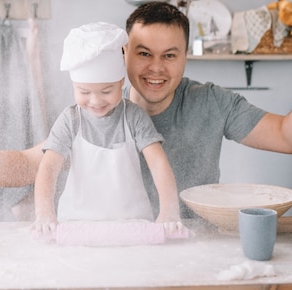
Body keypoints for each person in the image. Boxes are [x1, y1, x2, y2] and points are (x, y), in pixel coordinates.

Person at [0, 2, 292, 218]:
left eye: (170, 55)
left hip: (192, 248)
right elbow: (26, 164)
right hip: (107, 252)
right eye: (144, 53)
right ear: (122, 55)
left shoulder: (212, 102)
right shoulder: (93, 108)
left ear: (186, 56)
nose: (156, 68)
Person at [32, 22, 181, 239]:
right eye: (84, 91)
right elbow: (48, 170)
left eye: (106, 91)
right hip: (76, 227)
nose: (95, 101)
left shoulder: (134, 117)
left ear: (121, 81)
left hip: (133, 226)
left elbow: (158, 164)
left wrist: (169, 211)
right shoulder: (70, 120)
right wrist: (44, 213)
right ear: (73, 85)